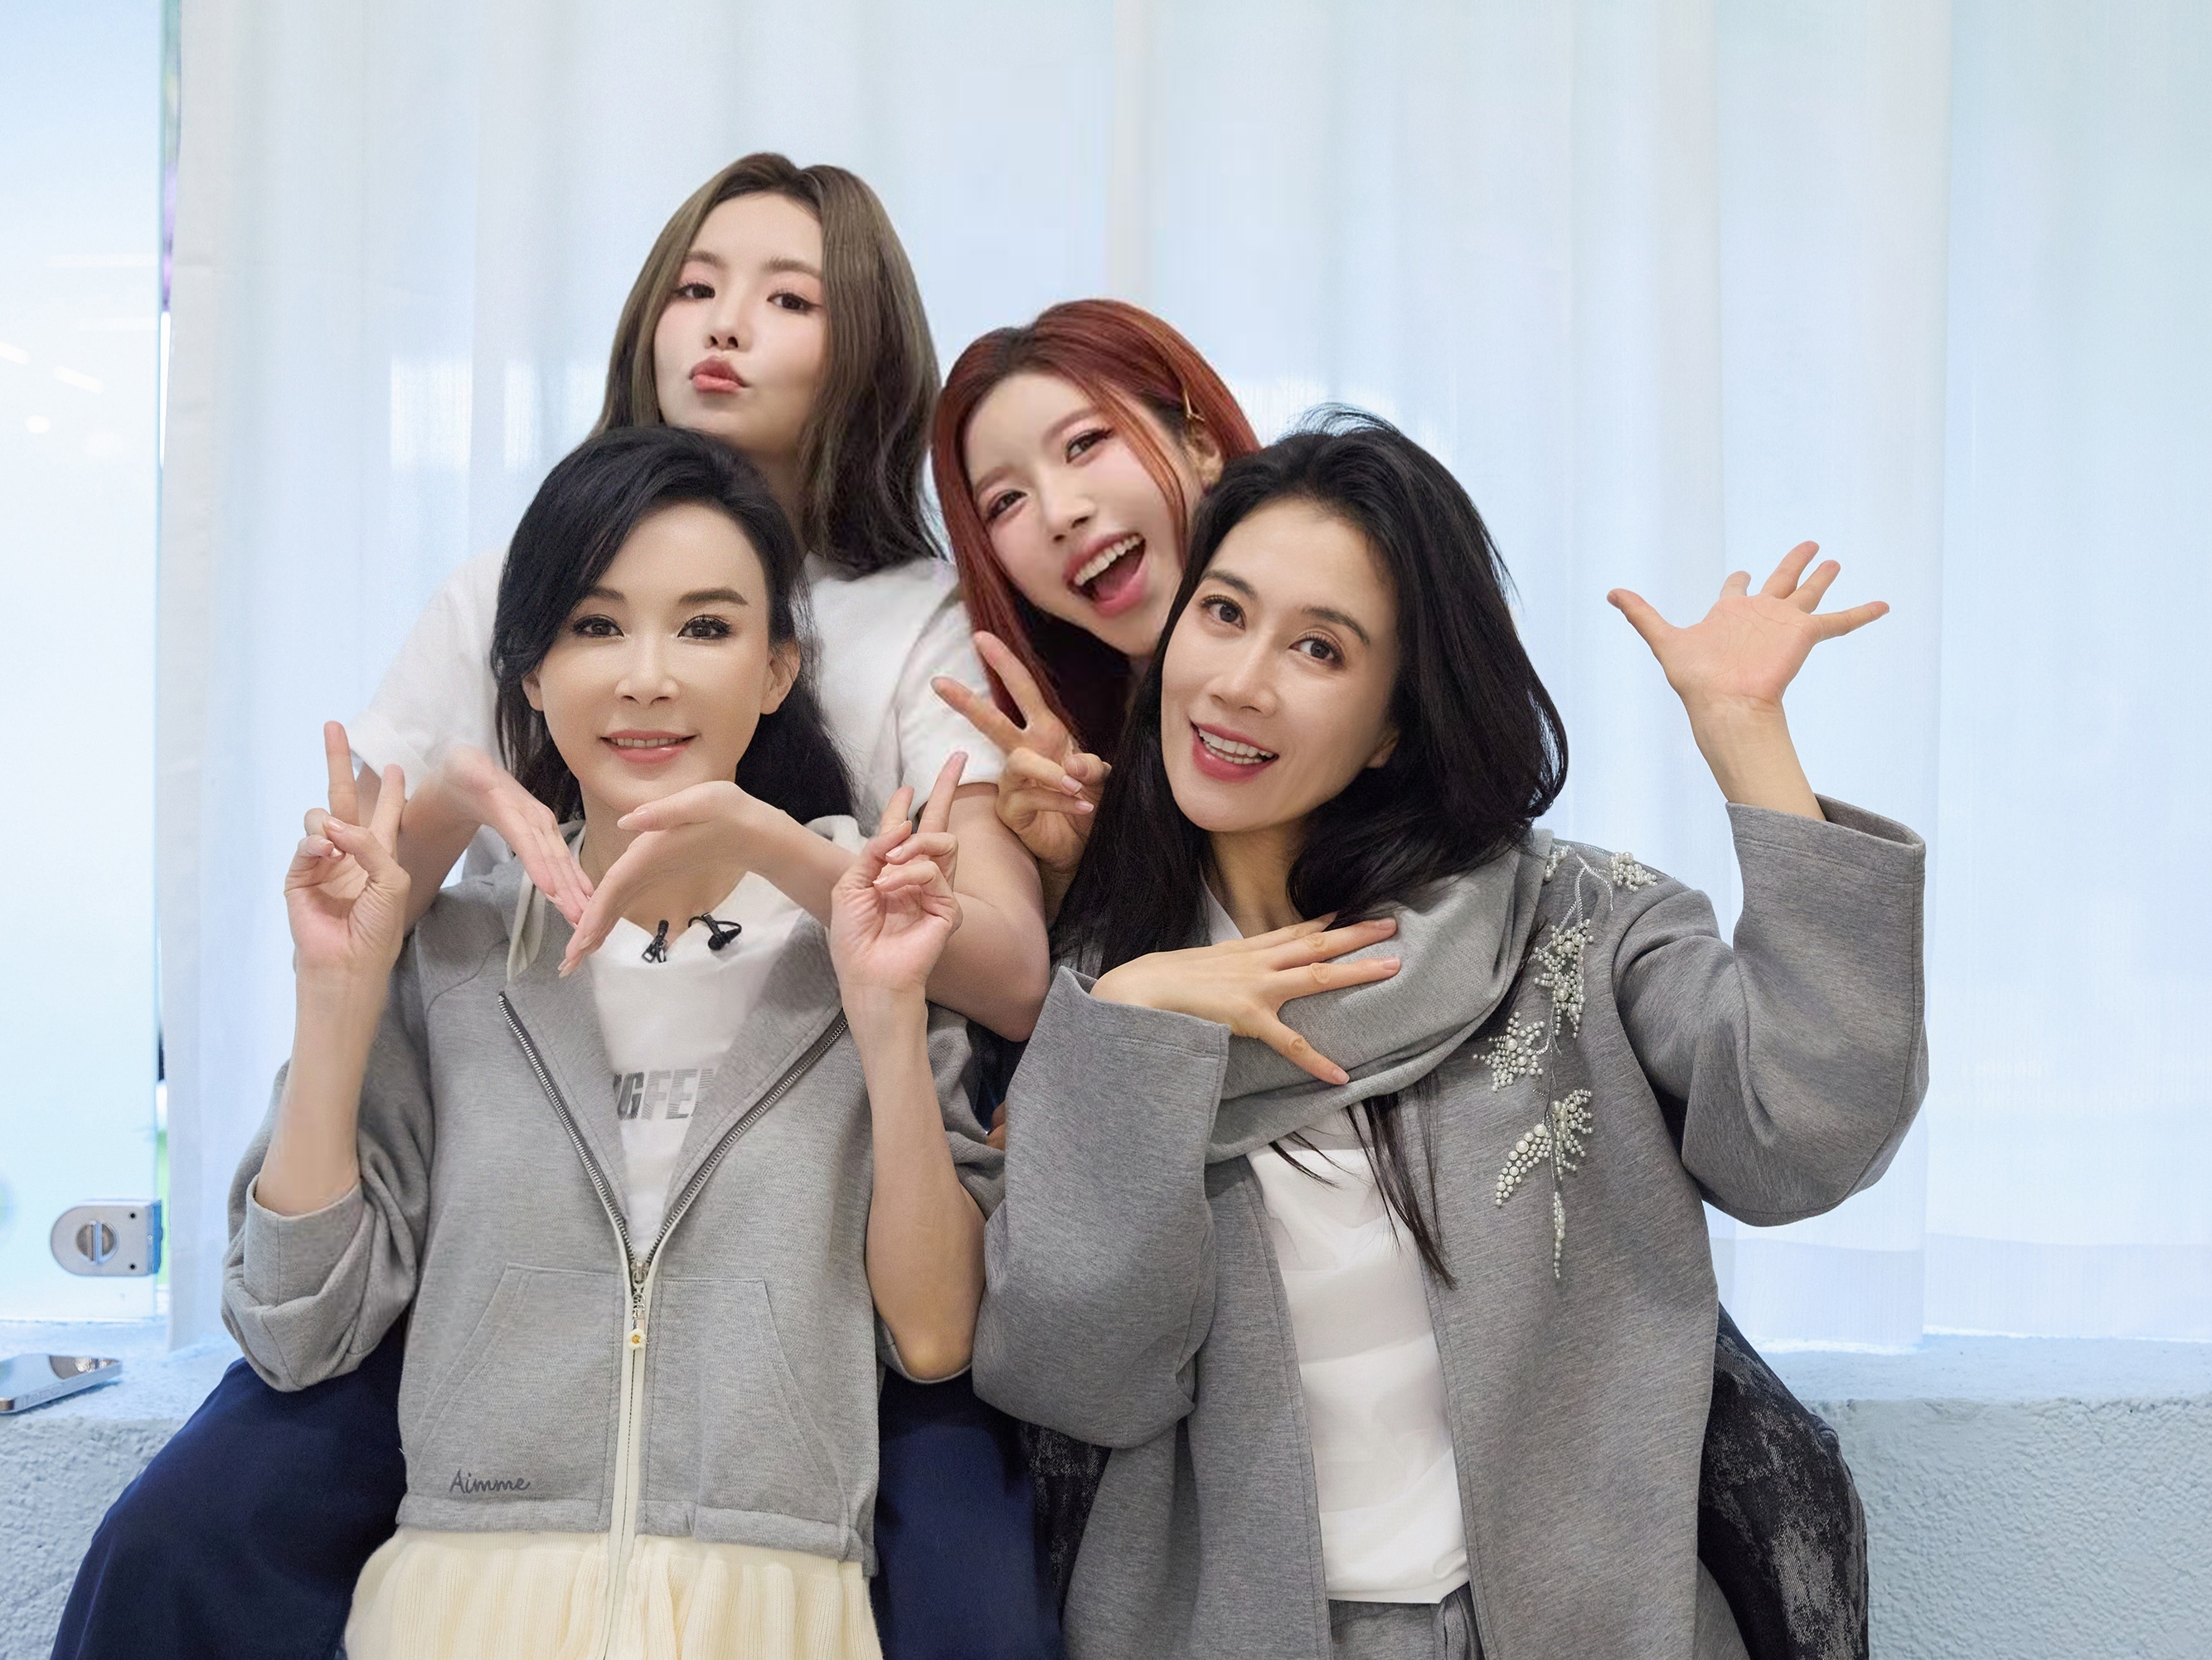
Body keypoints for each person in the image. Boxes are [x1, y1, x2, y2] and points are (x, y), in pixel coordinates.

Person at [54, 157, 1057, 1660]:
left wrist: (787, 859)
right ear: (536, 662)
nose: (725, 323)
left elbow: (1009, 972)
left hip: (795, 1275)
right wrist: (466, 805)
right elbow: (363, 890)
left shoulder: (913, 620)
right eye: (696, 286)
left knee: (977, 1588)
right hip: (519, 1252)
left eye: (787, 298)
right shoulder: (496, 602)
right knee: (179, 1537)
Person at [931, 306, 1876, 1658]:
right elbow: (1078, 1377)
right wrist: (1130, 1028)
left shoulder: (1573, 923)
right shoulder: (1103, 990)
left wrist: (1747, 744)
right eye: (1223, 615)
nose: (1239, 683)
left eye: (1319, 649)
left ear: (1391, 725)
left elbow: (1805, 1137)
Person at [230, 425, 997, 1658]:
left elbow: (936, 1333)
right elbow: (293, 1327)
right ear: (528, 673)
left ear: (777, 669)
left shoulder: (872, 934)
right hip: (461, 1605)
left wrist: (887, 1015)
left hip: (776, 1603)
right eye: (594, 626)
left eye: (705, 627)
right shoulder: (457, 952)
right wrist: (338, 989)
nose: (646, 677)